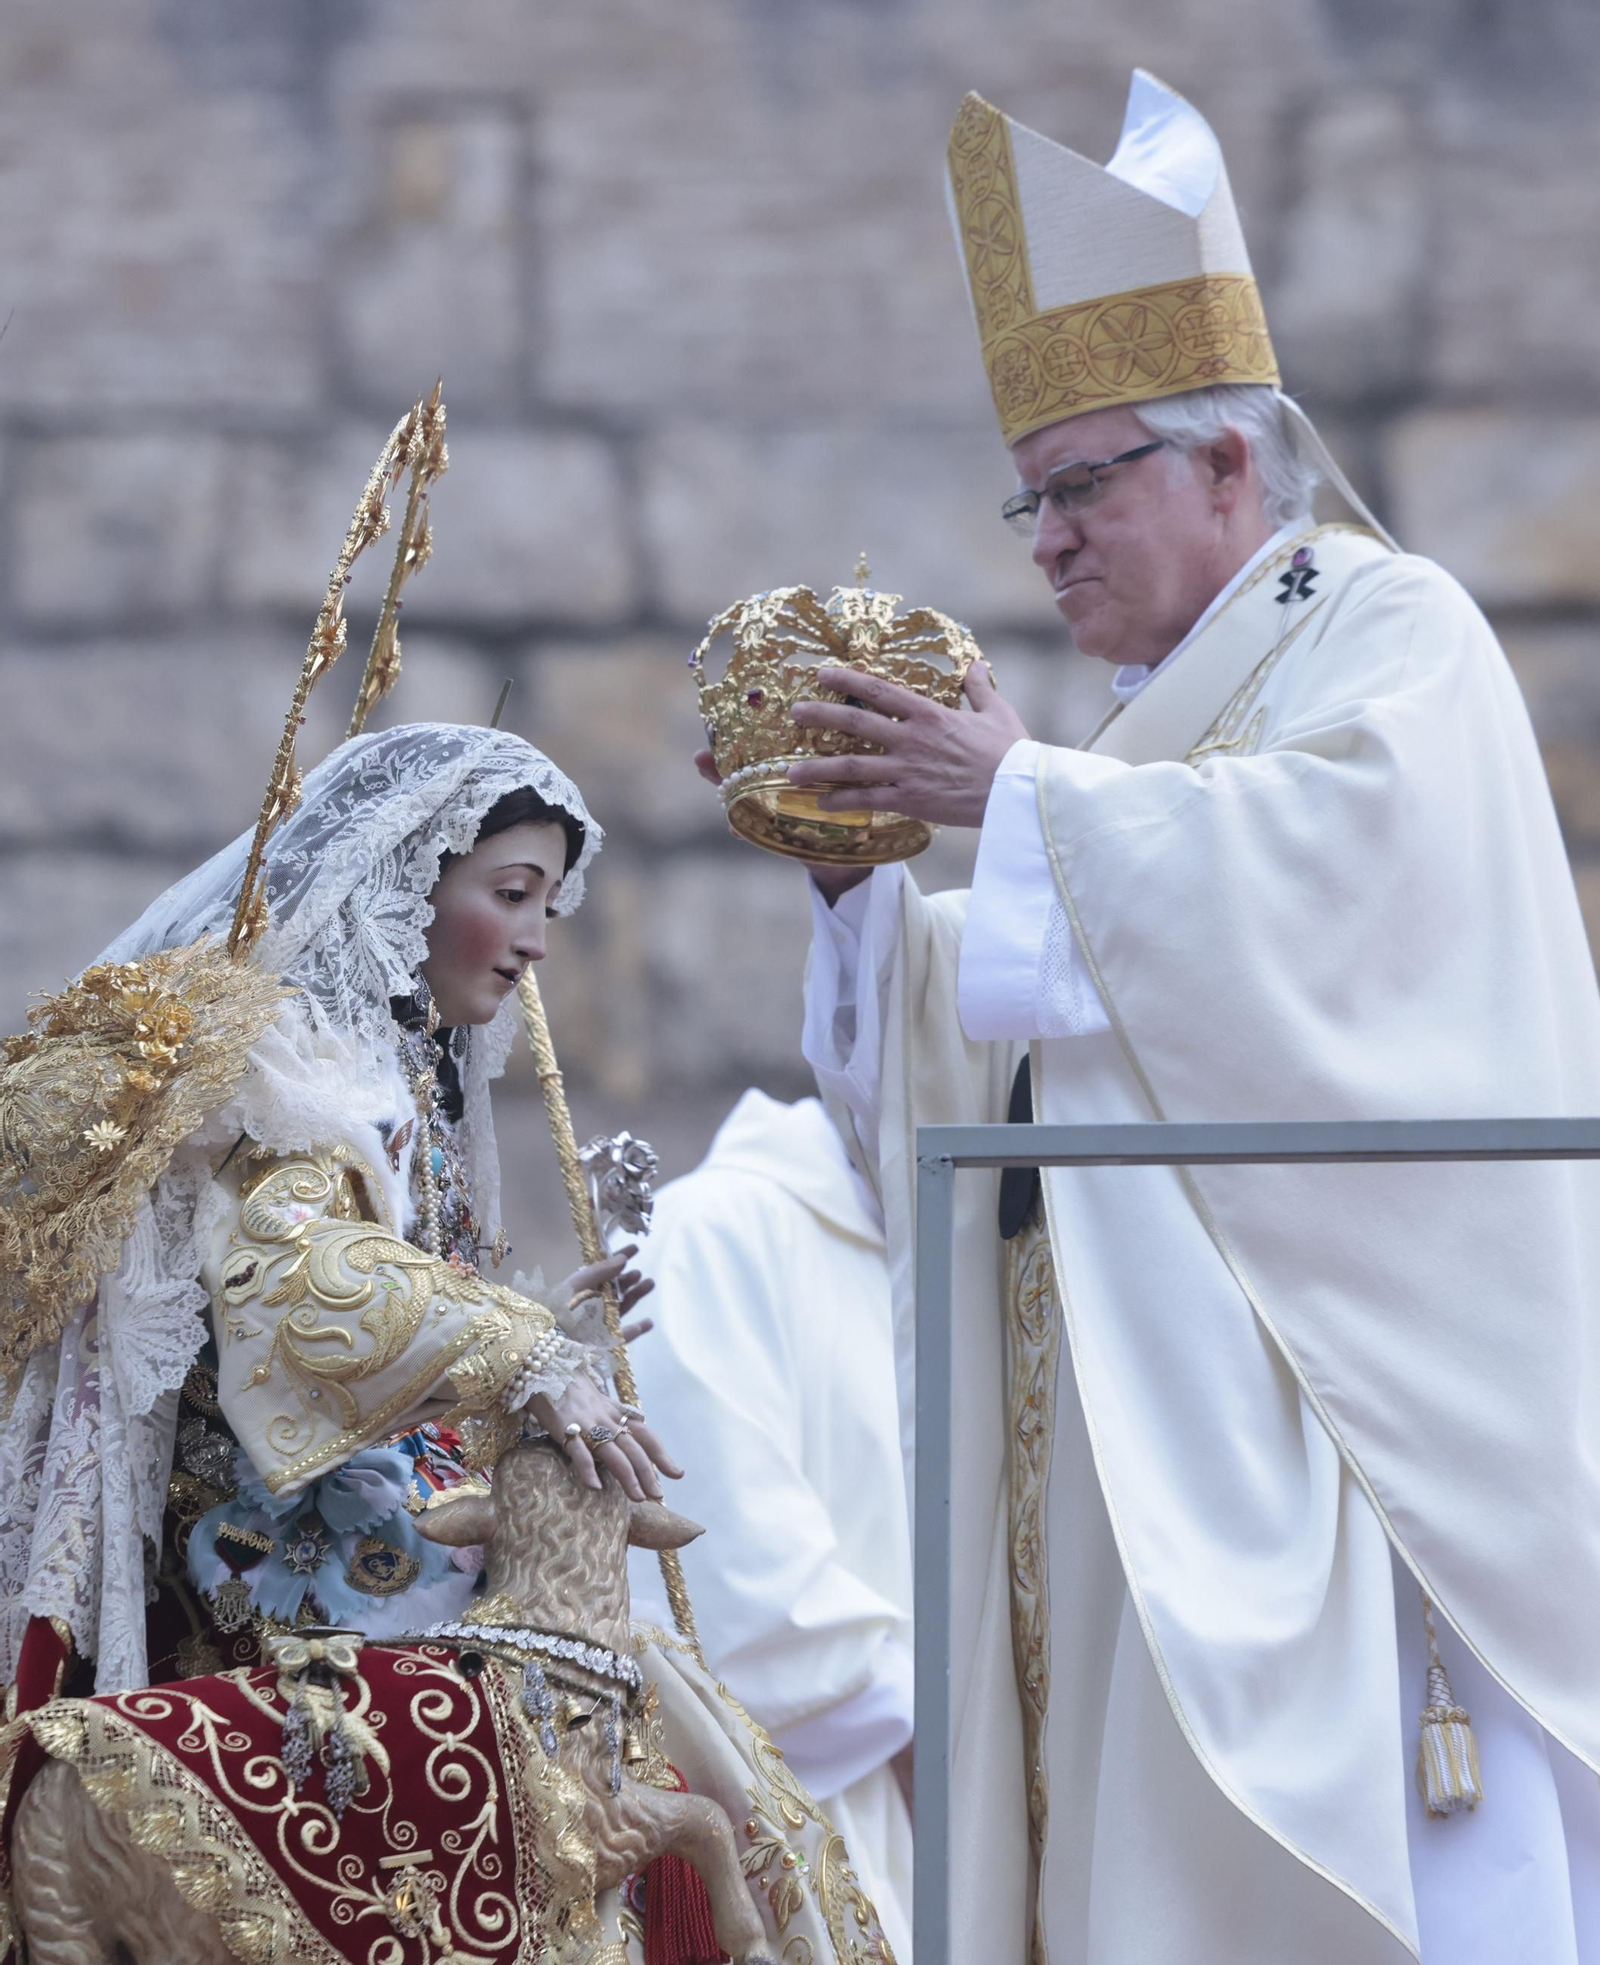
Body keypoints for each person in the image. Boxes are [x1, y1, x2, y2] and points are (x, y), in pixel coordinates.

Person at [698, 71, 1600, 1965]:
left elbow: (1339, 898)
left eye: (1082, 485)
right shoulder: (1146, 730)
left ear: (1230, 466)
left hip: (1324, 1414)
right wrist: (863, 885)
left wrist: (1022, 799)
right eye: (1027, 497)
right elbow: (1038, 1037)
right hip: (1109, 1431)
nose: (1043, 539)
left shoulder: (1389, 628)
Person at [1, 721, 674, 1695]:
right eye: (511, 894)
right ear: (408, 883)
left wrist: (546, 1325)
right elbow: (290, 1269)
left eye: (549, 907)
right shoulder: (297, 1059)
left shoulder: (407, 1073)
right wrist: (522, 1352)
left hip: (380, 1509)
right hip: (268, 1549)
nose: (534, 941)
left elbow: (397, 1294)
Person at [627, 1088, 914, 1960]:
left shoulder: (962, 1250)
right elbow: (736, 1587)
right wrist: (962, 1773)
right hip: (849, 1811)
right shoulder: (715, 1232)